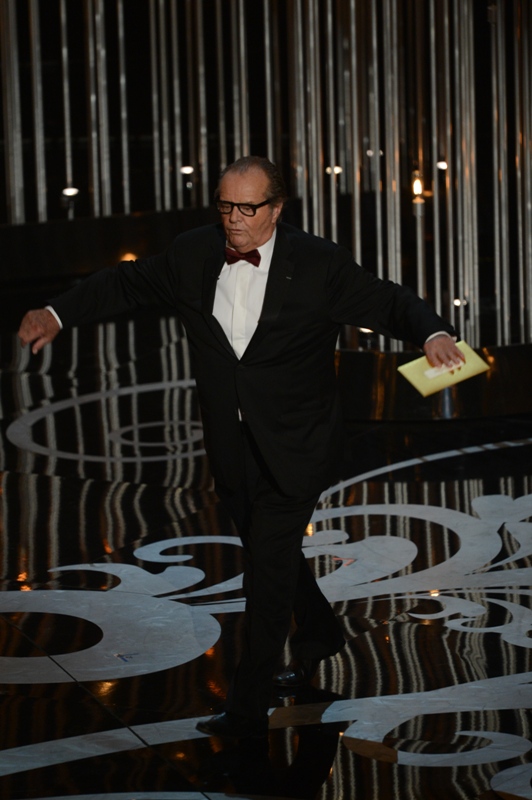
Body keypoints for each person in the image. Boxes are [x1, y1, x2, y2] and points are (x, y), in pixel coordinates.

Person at [18, 155, 464, 739]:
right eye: (226, 205)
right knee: (268, 550)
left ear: (276, 209)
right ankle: (321, 632)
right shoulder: (193, 253)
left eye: (248, 208)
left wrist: (431, 331)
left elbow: (388, 300)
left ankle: (248, 707)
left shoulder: (318, 263)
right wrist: (57, 313)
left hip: (298, 443)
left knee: (266, 570)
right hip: (230, 443)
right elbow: (124, 284)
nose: (234, 219)